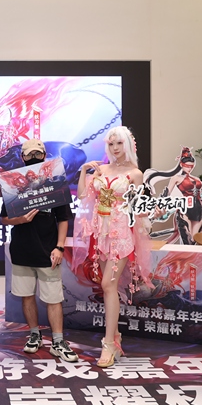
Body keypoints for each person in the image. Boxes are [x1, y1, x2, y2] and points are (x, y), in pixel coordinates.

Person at [75, 126, 152, 367]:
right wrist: (83, 171)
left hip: (121, 235)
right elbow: (82, 196)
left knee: (108, 284)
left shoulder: (136, 174)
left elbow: (139, 208)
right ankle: (115, 338)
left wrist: (151, 212)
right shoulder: (101, 170)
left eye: (119, 143)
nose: (115, 148)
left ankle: (109, 343)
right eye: (111, 144)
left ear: (128, 144)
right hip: (101, 233)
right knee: (107, 286)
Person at [0, 139, 78, 362]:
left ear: (44, 155)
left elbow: (63, 219)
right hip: (22, 251)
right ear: (22, 157)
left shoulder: (55, 182)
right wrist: (20, 220)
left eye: (37, 154)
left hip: (48, 251)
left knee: (54, 298)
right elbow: (5, 218)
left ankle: (58, 341)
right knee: (27, 296)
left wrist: (60, 247)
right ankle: (34, 334)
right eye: (29, 155)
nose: (33, 158)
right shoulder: (13, 183)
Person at [144, 146, 202, 245]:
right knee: (188, 241)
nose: (189, 168)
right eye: (187, 166)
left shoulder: (197, 179)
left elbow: (199, 199)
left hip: (198, 210)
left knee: (194, 240)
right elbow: (167, 194)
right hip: (185, 210)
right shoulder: (176, 178)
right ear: (181, 164)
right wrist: (157, 209)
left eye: (191, 166)